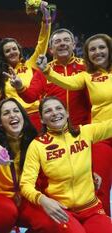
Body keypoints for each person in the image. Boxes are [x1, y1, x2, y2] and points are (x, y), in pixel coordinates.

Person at [37, 33, 112, 216]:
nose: (97, 52)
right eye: (92, 49)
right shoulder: (87, 76)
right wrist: (46, 70)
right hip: (104, 137)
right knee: (99, 187)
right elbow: (67, 83)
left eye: (101, 47)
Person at [20, 96, 112, 232]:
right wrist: (43, 200)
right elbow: (25, 184)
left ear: (67, 113)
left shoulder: (85, 132)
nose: (55, 113)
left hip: (91, 208)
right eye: (48, 111)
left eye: (58, 108)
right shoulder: (37, 145)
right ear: (41, 119)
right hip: (61, 211)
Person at [0, 98, 58, 232]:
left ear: (23, 117)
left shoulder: (35, 141)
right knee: (4, 214)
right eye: (6, 113)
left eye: (16, 111)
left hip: (27, 195)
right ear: (0, 123)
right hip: (1, 195)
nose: (12, 115)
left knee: (48, 221)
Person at [9, 28, 91, 127]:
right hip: (56, 128)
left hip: (85, 126)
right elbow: (30, 97)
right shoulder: (43, 71)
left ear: (73, 45)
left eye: (66, 40)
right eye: (57, 41)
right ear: (51, 49)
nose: (62, 44)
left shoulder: (87, 66)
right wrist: (20, 87)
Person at [0, 1, 51, 130]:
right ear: (3, 55)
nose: (12, 52)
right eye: (7, 51)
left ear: (19, 50)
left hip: (36, 116)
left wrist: (46, 19)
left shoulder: (31, 64)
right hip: (15, 120)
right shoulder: (1, 73)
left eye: (14, 49)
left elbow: (42, 42)